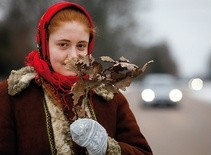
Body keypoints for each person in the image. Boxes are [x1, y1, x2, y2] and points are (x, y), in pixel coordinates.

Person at [0, 1, 153, 155]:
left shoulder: (109, 97)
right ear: (45, 45)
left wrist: (106, 147)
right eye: (63, 45)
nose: (73, 56)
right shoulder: (11, 95)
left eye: (81, 46)